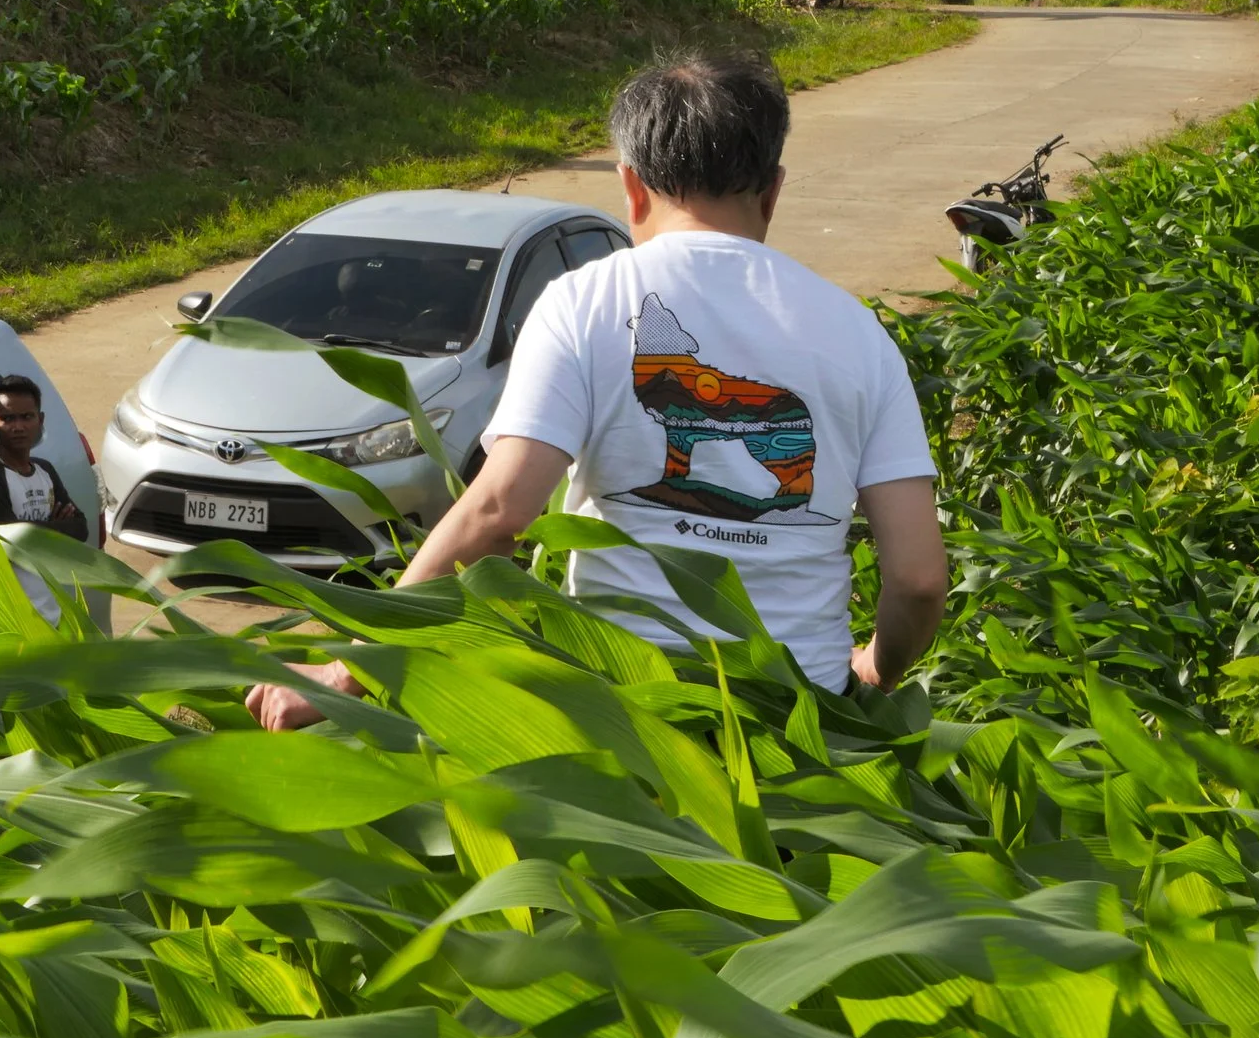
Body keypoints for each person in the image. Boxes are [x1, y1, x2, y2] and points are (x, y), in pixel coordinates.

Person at [248, 53, 948, 730]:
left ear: (631, 186)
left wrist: (348, 670)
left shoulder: (583, 302)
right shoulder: (858, 335)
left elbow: (497, 512)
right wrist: (875, 670)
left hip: (628, 719)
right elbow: (919, 579)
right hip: (801, 721)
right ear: (773, 189)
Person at [0, 375, 90, 621]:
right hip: (14, 619)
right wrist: (55, 527)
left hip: (53, 614)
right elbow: (11, 543)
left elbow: (81, 528)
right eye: (8, 418)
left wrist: (32, 530)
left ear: (40, 420)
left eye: (26, 417)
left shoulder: (45, 470)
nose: (18, 426)